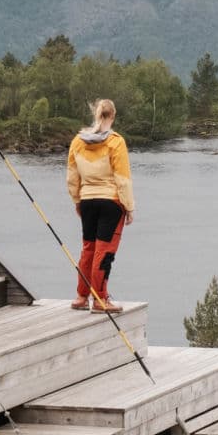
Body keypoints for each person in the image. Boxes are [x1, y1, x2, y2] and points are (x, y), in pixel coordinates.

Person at [66, 98, 133, 312]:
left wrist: (77, 201)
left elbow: (71, 177)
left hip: (87, 201)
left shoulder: (78, 141)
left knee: (88, 248)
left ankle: (81, 296)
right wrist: (129, 207)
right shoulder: (115, 142)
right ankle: (101, 299)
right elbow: (122, 178)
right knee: (104, 252)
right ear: (112, 116)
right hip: (110, 203)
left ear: (96, 114)